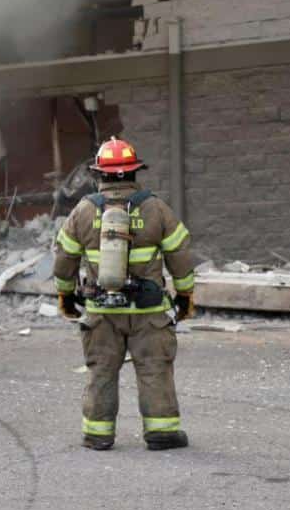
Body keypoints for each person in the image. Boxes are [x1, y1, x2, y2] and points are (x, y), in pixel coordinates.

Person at [53, 137, 196, 451]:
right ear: (134, 172)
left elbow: (64, 259)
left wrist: (65, 296)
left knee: (101, 371)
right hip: (149, 312)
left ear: (99, 174)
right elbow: (181, 255)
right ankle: (162, 432)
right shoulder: (155, 208)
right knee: (154, 368)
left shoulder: (83, 211)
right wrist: (185, 295)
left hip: (101, 311)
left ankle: (98, 434)